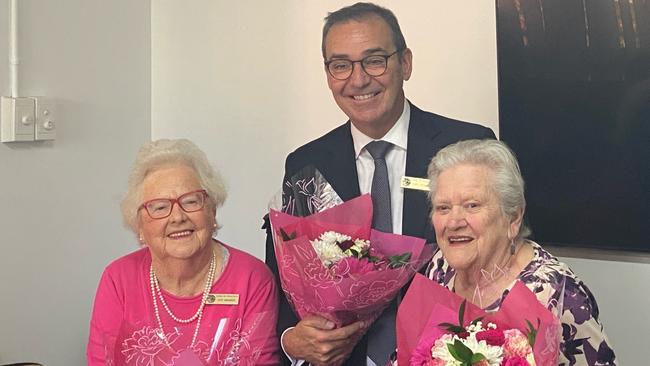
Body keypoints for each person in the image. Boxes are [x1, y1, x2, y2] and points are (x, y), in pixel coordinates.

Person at [263, 3, 496, 365]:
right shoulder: (306, 164)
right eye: (340, 65)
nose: (357, 80)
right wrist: (292, 338)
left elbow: (501, 259)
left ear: (405, 63)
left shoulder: (470, 148)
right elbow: (280, 281)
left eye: (374, 60)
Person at [424, 139, 616, 365]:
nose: (454, 221)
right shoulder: (440, 266)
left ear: (513, 217)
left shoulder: (557, 294)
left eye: (472, 205)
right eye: (443, 208)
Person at [88, 139, 279, 365]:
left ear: (212, 210)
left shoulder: (252, 279)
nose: (177, 217)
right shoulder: (118, 279)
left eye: (190, 202)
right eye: (160, 207)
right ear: (139, 225)